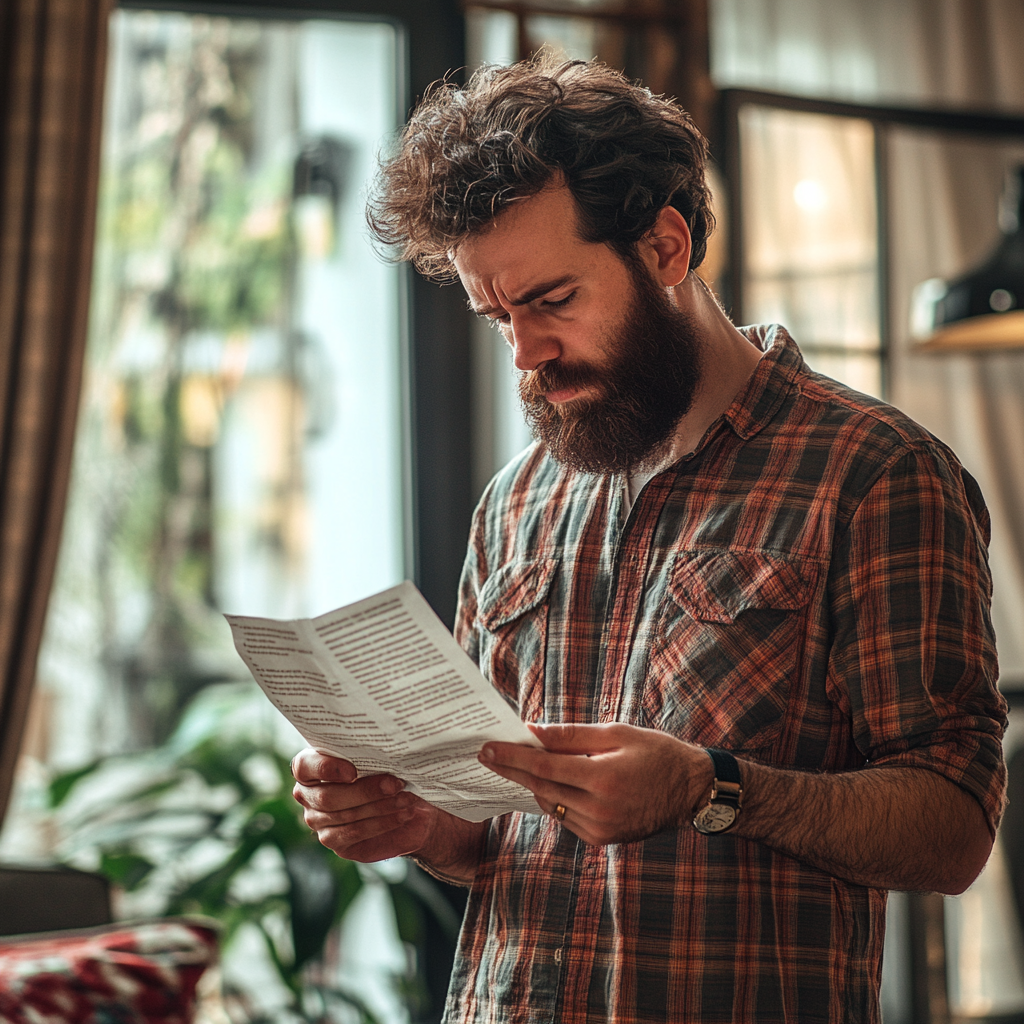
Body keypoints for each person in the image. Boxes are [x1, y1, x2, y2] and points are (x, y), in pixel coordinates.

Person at [291, 56, 1007, 1022]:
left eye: (551, 301)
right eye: (496, 315)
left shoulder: (874, 474)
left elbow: (952, 831)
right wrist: (421, 824)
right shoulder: (516, 503)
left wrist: (710, 790)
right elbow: (495, 839)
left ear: (666, 247)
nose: (526, 355)